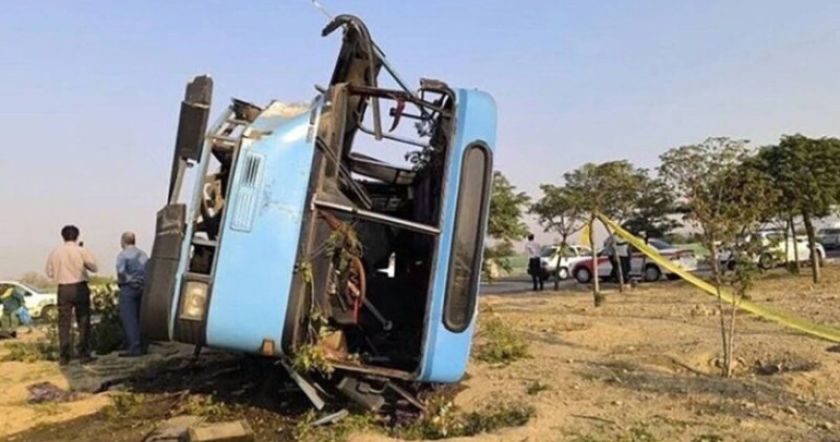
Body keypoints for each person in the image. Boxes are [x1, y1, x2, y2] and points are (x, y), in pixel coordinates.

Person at [46, 225, 98, 365]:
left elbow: (49, 273)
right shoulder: (81, 250)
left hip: (63, 288)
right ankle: (84, 353)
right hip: (79, 287)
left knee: (64, 323)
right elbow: (94, 268)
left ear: (62, 236)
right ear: (77, 236)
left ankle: (64, 356)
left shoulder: (55, 252)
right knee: (83, 320)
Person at [115, 232, 148, 357]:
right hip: (143, 288)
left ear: (123, 241)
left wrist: (129, 280)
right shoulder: (143, 254)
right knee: (141, 317)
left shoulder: (122, 255)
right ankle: (143, 345)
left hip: (128, 288)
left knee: (129, 318)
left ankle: (134, 347)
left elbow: (121, 272)